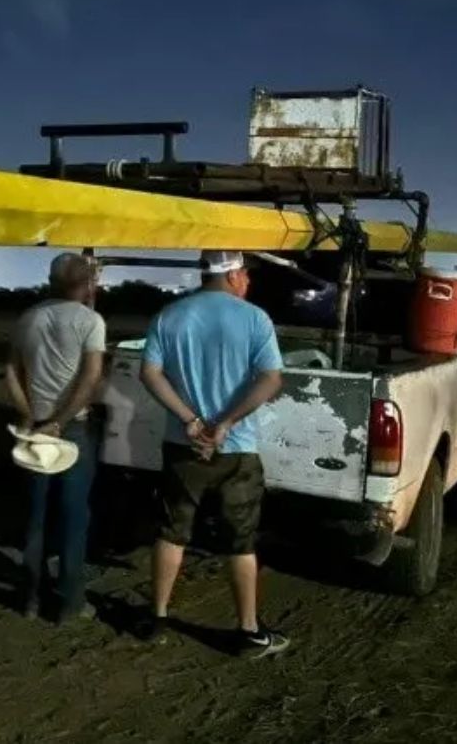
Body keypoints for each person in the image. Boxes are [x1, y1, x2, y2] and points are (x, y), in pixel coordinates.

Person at [138, 250, 290, 658]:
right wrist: (225, 423)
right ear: (234, 274)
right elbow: (270, 379)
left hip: (183, 445)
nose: (248, 282)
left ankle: (158, 617)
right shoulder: (254, 318)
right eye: (246, 274)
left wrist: (190, 420)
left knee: (172, 531)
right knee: (240, 542)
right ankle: (248, 631)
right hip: (236, 450)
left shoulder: (169, 316)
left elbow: (149, 373)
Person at [5, 252, 106, 623]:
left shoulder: (28, 317)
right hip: (71, 428)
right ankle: (70, 601)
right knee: (73, 516)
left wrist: (31, 416)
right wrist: (59, 422)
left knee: (35, 516)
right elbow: (90, 378)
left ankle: (30, 599)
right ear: (87, 284)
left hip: (35, 429)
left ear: (51, 282)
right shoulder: (90, 321)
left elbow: (11, 372)